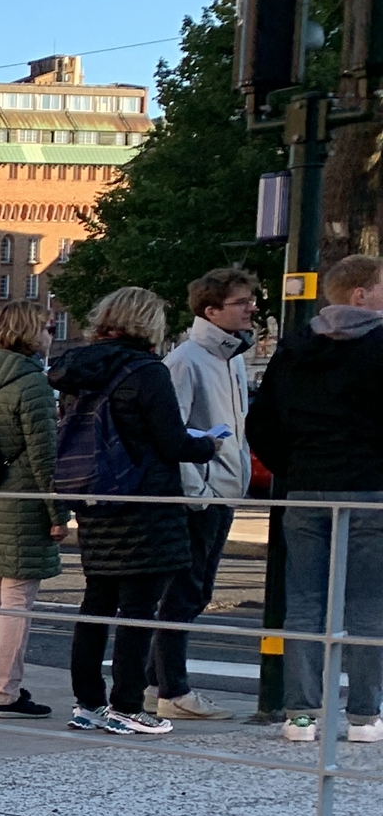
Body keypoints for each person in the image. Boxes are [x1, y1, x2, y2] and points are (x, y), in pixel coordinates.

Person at [47, 286, 215, 736]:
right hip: (144, 501)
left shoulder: (78, 371)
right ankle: (127, 704)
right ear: (147, 323)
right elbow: (172, 443)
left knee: (97, 601)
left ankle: (87, 703)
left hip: (94, 498)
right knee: (140, 607)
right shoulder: (147, 371)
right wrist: (209, 444)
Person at [245, 253, 383, 743]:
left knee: (303, 600)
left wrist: (295, 464)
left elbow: (259, 423)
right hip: (370, 487)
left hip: (305, 486)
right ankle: (364, 714)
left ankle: (300, 714)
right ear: (361, 294)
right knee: (367, 603)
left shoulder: (295, 347)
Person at [151, 267, 259, 720]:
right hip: (203, 493)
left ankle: (157, 683)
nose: (252, 307)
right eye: (241, 302)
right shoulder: (187, 360)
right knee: (185, 591)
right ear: (211, 311)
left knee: (194, 589)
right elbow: (172, 432)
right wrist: (199, 490)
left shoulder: (232, 357)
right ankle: (172, 689)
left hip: (223, 489)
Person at [0, 303, 64, 719]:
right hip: (21, 502)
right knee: (17, 600)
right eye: (46, 328)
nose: (50, 334)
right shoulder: (32, 383)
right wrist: (58, 514)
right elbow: (43, 457)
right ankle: (7, 692)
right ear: (30, 333)